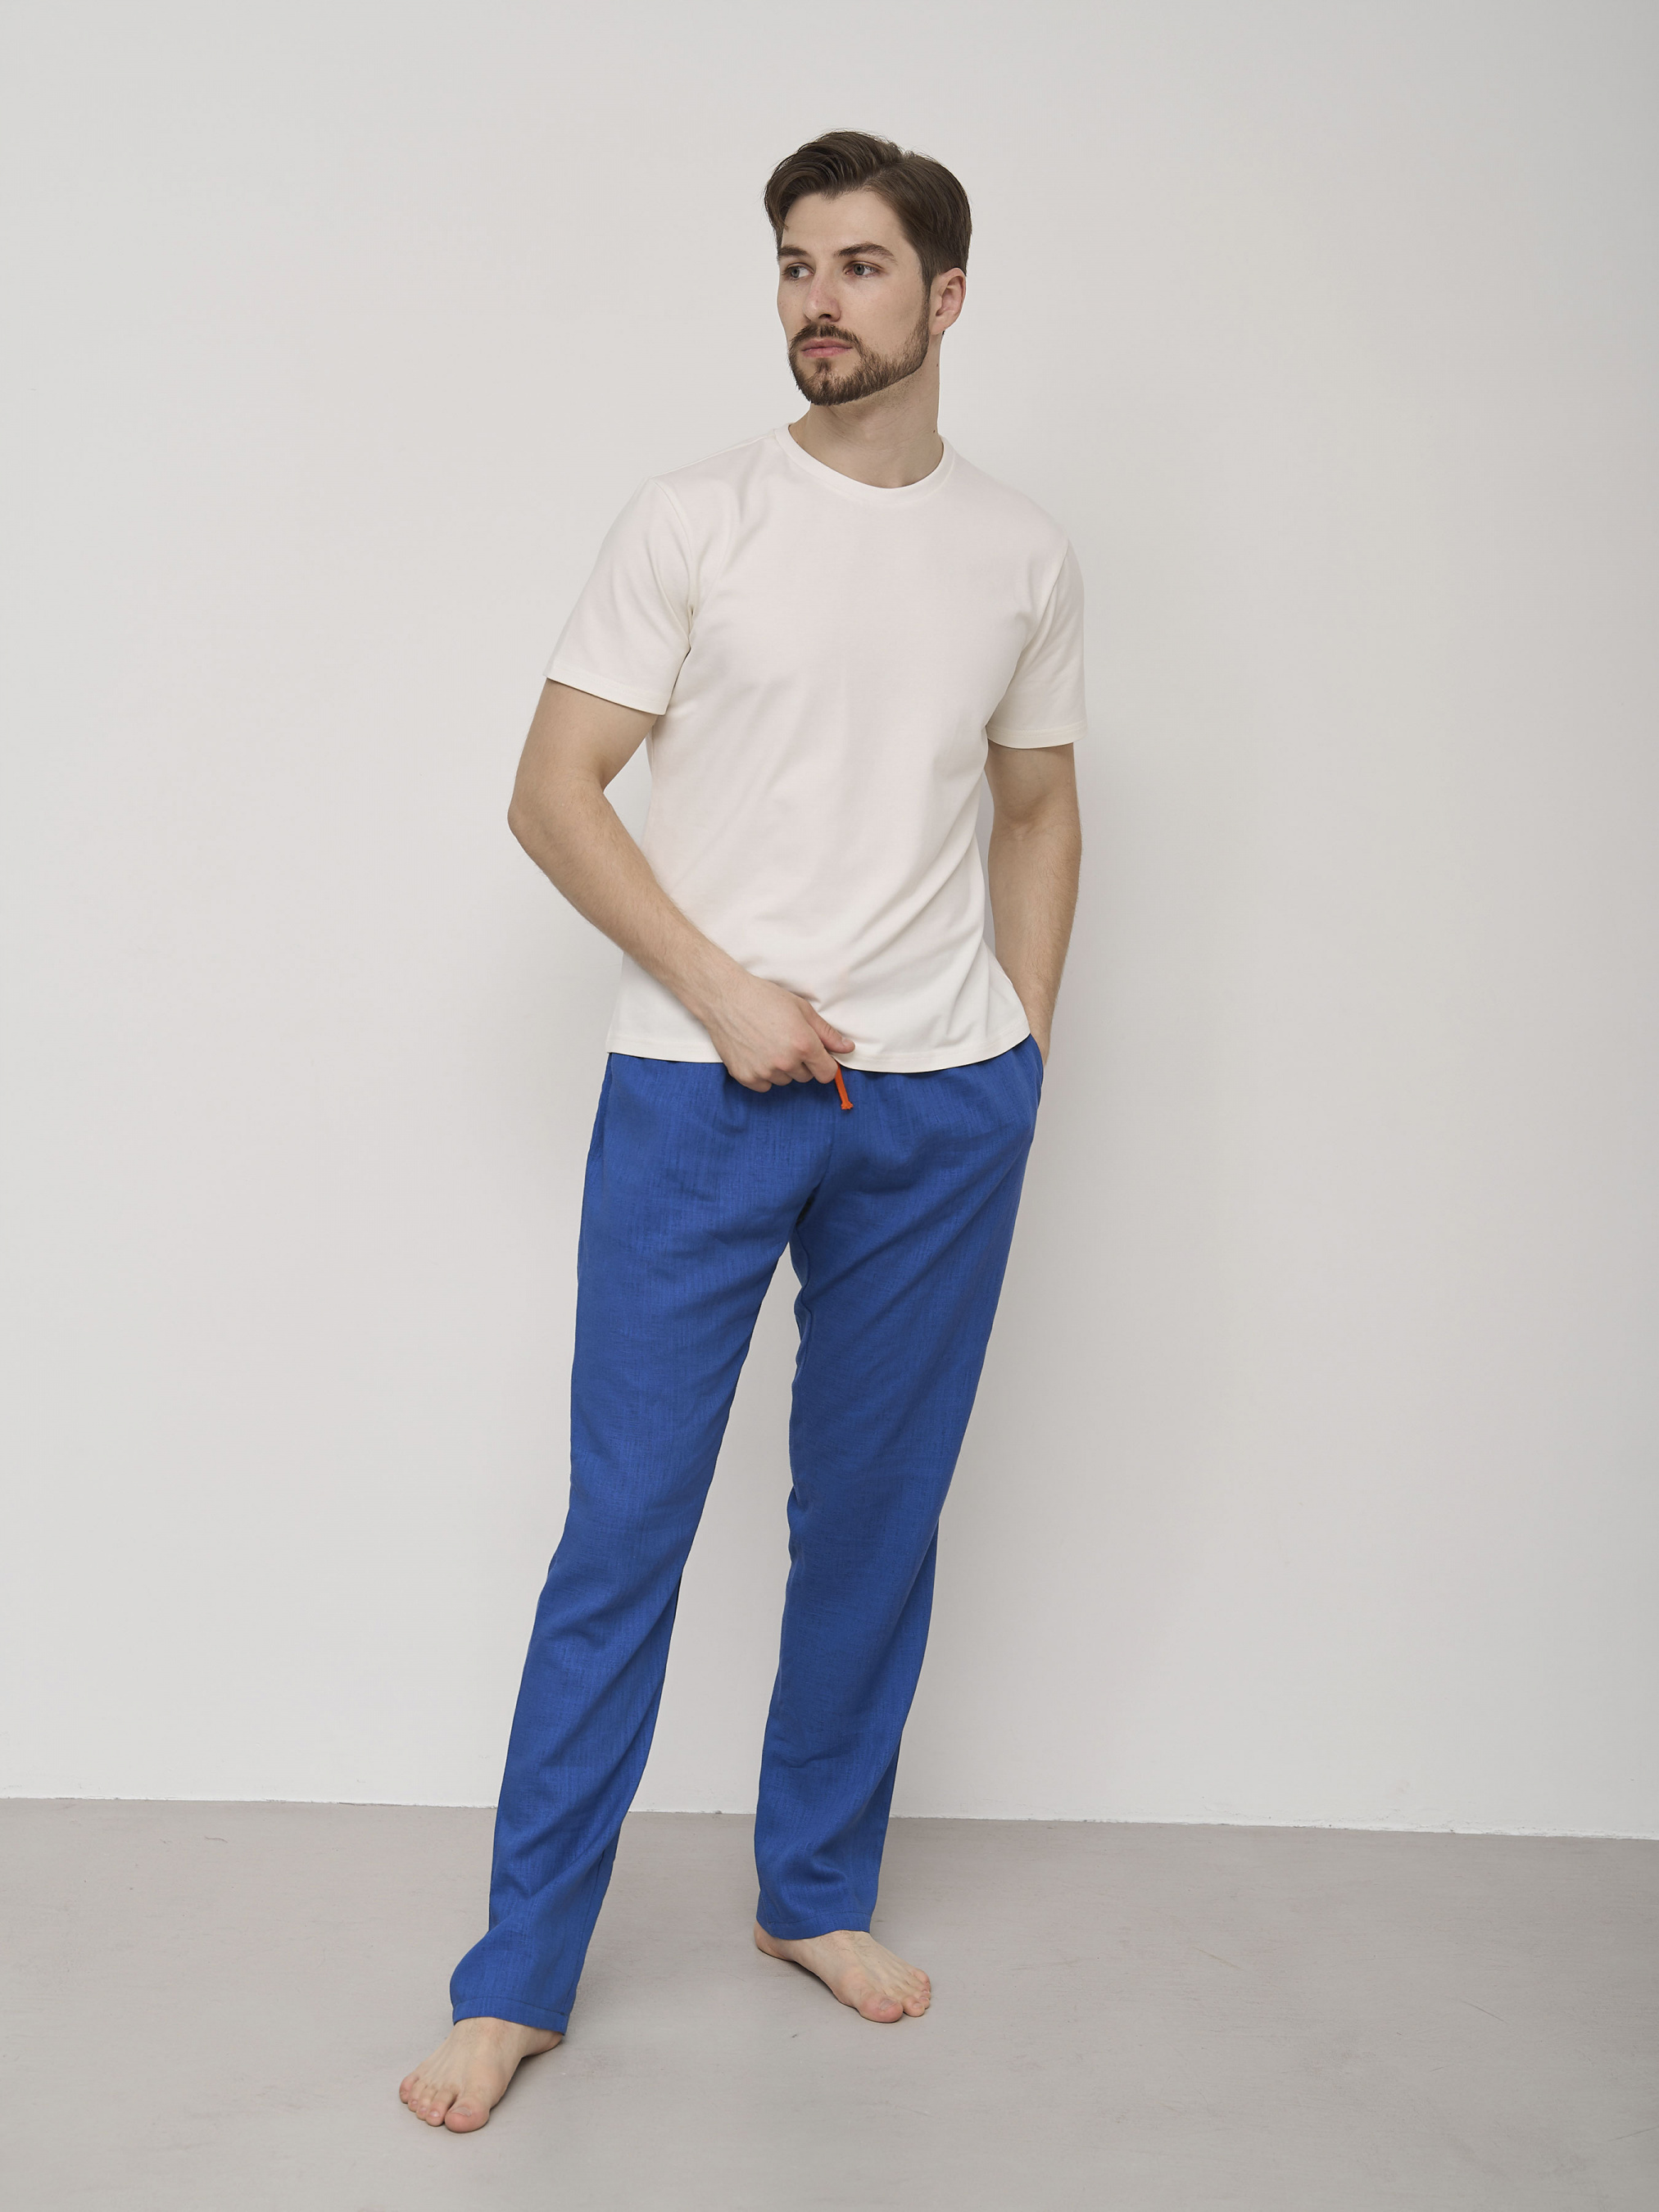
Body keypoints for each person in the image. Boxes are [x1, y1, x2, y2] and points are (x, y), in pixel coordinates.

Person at [400, 128, 1086, 2133]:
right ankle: (516, 1982)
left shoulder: (1022, 553)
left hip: (937, 1108)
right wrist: (723, 995)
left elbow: (1038, 805)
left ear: (942, 298)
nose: (816, 301)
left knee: (871, 1523)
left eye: (858, 266)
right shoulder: (693, 518)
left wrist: (1019, 1055)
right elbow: (551, 790)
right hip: (699, 1088)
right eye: (793, 265)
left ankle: (813, 1895)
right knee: (623, 1530)